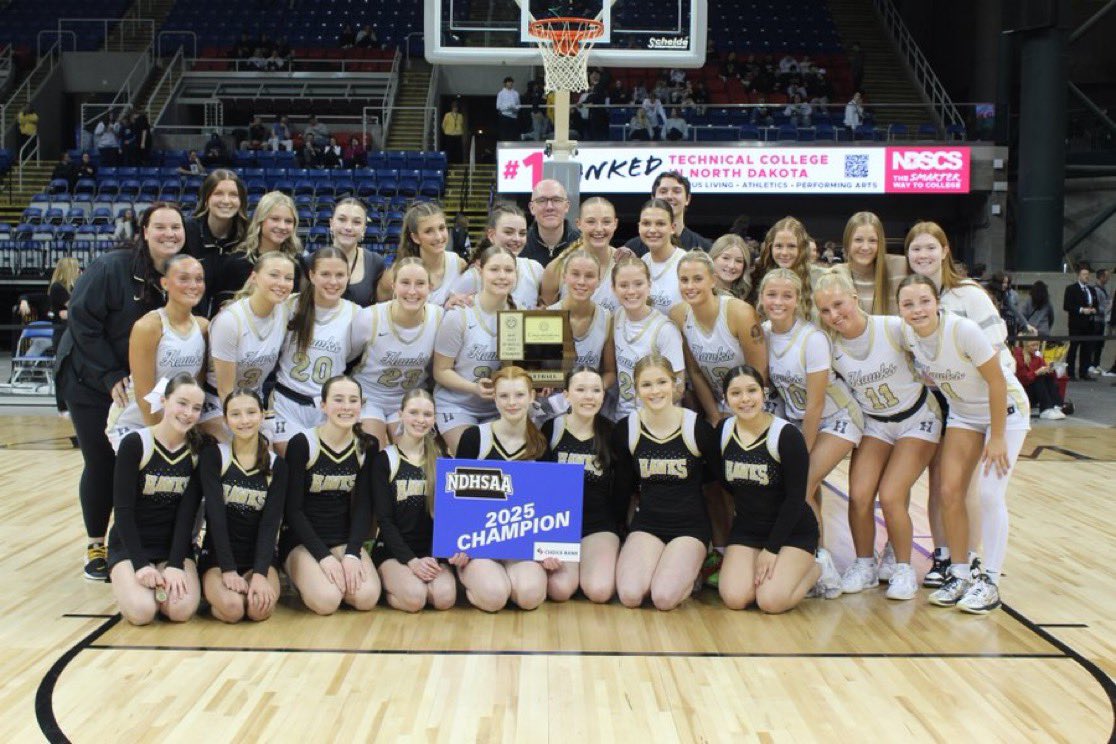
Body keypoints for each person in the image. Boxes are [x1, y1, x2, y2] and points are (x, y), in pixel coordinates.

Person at [55, 203, 186, 581]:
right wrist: (108, 374)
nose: (169, 234)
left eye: (175, 228)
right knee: (102, 462)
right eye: (159, 227)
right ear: (144, 230)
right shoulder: (112, 267)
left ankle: (130, 543)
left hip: (141, 384)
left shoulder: (180, 274)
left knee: (140, 464)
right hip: (90, 379)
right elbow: (81, 323)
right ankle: (96, 544)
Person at [897, 275, 1030, 614]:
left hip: (1006, 411)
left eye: (924, 301)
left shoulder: (962, 331)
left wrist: (997, 436)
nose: (917, 309)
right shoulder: (910, 337)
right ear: (899, 309)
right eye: (908, 304)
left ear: (936, 302)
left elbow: (998, 381)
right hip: (964, 415)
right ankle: (958, 572)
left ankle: (989, 581)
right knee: (948, 492)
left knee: (988, 494)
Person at [813, 270, 942, 599]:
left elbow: (937, 346)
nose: (834, 315)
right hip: (875, 423)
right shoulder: (829, 346)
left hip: (917, 418)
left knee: (891, 494)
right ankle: (864, 564)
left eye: (839, 304)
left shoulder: (893, 328)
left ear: (855, 298)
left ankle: (902, 568)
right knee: (858, 495)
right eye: (825, 311)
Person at [905, 221, 1017, 587]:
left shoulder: (967, 295)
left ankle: (973, 561)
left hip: (992, 397)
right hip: (953, 404)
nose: (923, 255)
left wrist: (996, 428)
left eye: (930, 247)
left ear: (945, 250)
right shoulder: (910, 303)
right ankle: (951, 561)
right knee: (945, 487)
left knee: (978, 490)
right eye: (915, 249)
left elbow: (997, 360)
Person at [759, 268, 863, 599]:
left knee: (799, 485)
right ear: (761, 298)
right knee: (806, 489)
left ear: (798, 300)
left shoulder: (813, 339)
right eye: (771, 295)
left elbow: (816, 405)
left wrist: (799, 453)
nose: (778, 302)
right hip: (796, 420)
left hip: (837, 419)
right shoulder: (763, 333)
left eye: (787, 295)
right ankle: (811, 554)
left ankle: (822, 562)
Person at [612, 354, 720, 610]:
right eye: (646, 385)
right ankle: (663, 564)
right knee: (629, 595)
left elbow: (717, 475)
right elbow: (624, 485)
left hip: (689, 528)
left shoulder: (697, 428)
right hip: (648, 524)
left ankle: (693, 569)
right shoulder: (627, 429)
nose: (655, 391)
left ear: (675, 384)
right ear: (636, 389)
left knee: (663, 598)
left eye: (661, 382)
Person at [716, 365, 820, 612]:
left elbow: (796, 498)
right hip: (748, 530)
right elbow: (723, 482)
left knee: (770, 602)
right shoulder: (723, 432)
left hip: (792, 531)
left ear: (764, 393)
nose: (745, 399)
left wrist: (772, 549)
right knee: (735, 598)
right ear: (726, 398)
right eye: (736, 393)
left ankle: (816, 568)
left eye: (752, 391)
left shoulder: (787, 435)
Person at [450, 366, 553, 611]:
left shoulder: (540, 444)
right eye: (504, 396)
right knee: (495, 597)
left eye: (519, 395)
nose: (512, 403)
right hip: (478, 544)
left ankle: (506, 577)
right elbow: (455, 499)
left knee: (530, 597)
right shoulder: (474, 438)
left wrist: (548, 547)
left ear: (531, 397)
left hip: (519, 541)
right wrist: (456, 545)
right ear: (494, 398)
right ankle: (477, 579)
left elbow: (547, 503)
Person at [108, 372, 205, 625]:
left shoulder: (197, 451)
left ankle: (159, 578)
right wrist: (140, 565)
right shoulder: (135, 443)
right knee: (142, 612)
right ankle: (128, 582)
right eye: (181, 403)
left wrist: (174, 564)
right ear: (164, 401)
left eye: (196, 408)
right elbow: (123, 511)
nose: (187, 413)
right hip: (132, 545)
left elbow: (188, 513)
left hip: (173, 545)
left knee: (180, 611)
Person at [281, 376, 381, 615]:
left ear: (361, 405)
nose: (346, 406)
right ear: (323, 405)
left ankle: (334, 575)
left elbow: (364, 507)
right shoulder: (302, 443)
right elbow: (292, 510)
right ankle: (300, 575)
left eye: (353, 400)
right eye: (338, 399)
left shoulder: (367, 445)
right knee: (327, 601)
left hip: (343, 537)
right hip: (302, 540)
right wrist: (323, 557)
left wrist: (352, 553)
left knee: (366, 598)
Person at [198, 389, 287, 622]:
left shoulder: (277, 465)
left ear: (262, 415)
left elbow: (270, 524)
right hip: (219, 557)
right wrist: (227, 569)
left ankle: (236, 590)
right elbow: (215, 518)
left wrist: (260, 573)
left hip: (259, 557)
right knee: (233, 609)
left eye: (251, 412)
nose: (244, 420)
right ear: (226, 420)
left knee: (259, 610)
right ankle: (213, 597)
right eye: (235, 414)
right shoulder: (214, 456)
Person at [106, 254, 208, 451]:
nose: (193, 285)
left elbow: (197, 388)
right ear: (165, 283)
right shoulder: (149, 327)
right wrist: (163, 443)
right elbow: (145, 396)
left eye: (199, 279)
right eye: (184, 278)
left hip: (176, 424)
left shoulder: (203, 327)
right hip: (135, 421)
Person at [370, 389, 457, 612]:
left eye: (427, 414)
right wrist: (411, 561)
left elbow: (448, 519)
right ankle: (386, 584)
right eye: (413, 413)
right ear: (401, 414)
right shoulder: (384, 460)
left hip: (431, 551)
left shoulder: (443, 460)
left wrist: (432, 558)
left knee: (444, 599)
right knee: (415, 599)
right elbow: (385, 520)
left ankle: (411, 580)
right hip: (394, 550)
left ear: (435, 418)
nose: (420, 420)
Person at [540, 367, 620, 602]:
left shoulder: (611, 433)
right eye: (581, 389)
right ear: (566, 395)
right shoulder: (551, 429)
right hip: (558, 526)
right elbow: (540, 487)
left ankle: (593, 563)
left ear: (603, 396)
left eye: (596, 390)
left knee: (599, 591)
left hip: (598, 526)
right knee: (560, 590)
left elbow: (621, 490)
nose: (589, 396)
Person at [271, 248, 359, 455]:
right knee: (292, 464)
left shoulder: (357, 315)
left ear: (348, 277)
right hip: (287, 402)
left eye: (339, 275)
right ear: (312, 275)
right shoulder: (288, 305)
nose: (333, 281)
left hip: (329, 407)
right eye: (325, 274)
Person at [199, 252, 296, 440]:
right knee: (238, 447)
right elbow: (225, 390)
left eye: (288, 278)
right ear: (254, 277)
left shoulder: (285, 309)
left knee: (274, 450)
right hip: (218, 402)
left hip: (254, 400)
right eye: (274, 275)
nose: (281, 283)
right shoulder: (230, 321)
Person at [432, 245, 517, 453]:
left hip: (501, 408)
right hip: (457, 405)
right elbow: (440, 371)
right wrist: (474, 388)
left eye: (508, 270)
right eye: (494, 269)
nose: (502, 276)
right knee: (474, 454)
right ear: (480, 270)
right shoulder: (459, 314)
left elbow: (520, 369)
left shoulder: (519, 316)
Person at [352, 257, 443, 447]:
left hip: (408, 400)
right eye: (405, 283)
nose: (412, 291)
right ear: (393, 285)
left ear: (430, 286)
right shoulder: (369, 317)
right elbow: (347, 359)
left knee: (411, 457)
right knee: (371, 449)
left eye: (420, 284)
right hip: (369, 396)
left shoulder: (440, 318)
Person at [670, 250, 767, 420]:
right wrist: (714, 416)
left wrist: (746, 414)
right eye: (684, 280)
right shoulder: (678, 315)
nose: (690, 286)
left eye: (698, 279)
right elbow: (695, 372)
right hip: (720, 405)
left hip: (757, 403)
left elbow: (759, 372)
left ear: (713, 280)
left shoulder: (740, 313)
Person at [610, 256, 686, 422]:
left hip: (656, 420)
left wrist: (649, 411)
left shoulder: (665, 330)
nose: (631, 291)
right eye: (623, 285)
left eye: (638, 284)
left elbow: (679, 388)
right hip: (621, 418)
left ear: (649, 285)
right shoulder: (617, 316)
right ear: (614, 288)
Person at [222, 191, 303, 314]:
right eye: (275, 219)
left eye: (288, 221)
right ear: (261, 220)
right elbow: (224, 308)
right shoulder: (237, 262)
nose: (282, 226)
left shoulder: (296, 263)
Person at [450, 202, 543, 309]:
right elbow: (452, 313)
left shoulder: (534, 269)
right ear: (491, 235)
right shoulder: (472, 277)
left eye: (522, 233)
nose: (517, 239)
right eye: (508, 232)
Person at [183, 170, 250, 317]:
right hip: (189, 318)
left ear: (241, 201)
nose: (226, 200)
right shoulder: (187, 231)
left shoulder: (250, 236)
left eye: (233, 195)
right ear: (206, 199)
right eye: (218, 193)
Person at [540, 196, 620, 311]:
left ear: (615, 224)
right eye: (591, 222)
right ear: (578, 223)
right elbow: (545, 321)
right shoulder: (556, 268)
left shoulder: (624, 264)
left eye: (606, 222)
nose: (599, 228)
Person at [378, 202, 466, 307]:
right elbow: (381, 314)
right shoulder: (394, 275)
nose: (438, 237)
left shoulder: (459, 265)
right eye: (429, 231)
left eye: (442, 228)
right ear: (415, 237)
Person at [549, 250, 615, 378]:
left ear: (599, 281)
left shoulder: (606, 318)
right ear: (564, 277)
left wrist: (594, 389)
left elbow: (609, 373)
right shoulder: (547, 316)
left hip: (590, 396)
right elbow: (537, 371)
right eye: (575, 274)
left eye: (589, 276)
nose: (581, 282)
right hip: (555, 396)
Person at [624, 172, 712, 258]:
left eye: (677, 191)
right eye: (663, 191)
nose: (669, 196)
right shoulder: (632, 249)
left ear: (687, 199)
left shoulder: (705, 247)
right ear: (653, 198)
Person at [837, 212, 906, 315]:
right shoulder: (835, 275)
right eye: (858, 240)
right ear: (847, 242)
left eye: (872, 240)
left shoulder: (899, 266)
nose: (865, 247)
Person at [329, 198, 385, 308]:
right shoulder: (310, 262)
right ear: (331, 224)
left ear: (364, 229)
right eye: (342, 219)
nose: (348, 227)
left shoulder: (375, 262)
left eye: (357, 222)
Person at [637, 199, 688, 314]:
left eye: (660, 224)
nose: (653, 230)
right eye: (646, 223)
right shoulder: (643, 261)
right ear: (639, 227)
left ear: (672, 228)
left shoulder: (686, 263)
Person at [520, 179, 581, 267]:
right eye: (542, 200)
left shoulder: (582, 245)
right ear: (532, 208)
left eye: (556, 200)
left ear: (567, 206)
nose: (549, 207)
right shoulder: (520, 246)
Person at [1013, 339, 1066, 419]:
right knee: (1038, 378)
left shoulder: (1038, 358)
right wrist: (1036, 373)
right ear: (1025, 346)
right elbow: (1022, 380)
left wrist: (1050, 370)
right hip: (1023, 393)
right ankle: (1046, 409)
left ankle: (1056, 406)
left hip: (1033, 392)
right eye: (1033, 345)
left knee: (1047, 377)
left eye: (1037, 345)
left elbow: (1051, 378)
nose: (1036, 348)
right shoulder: (1018, 358)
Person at [1062, 264, 1099, 381]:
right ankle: (1071, 373)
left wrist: (1094, 310)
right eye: (1084, 274)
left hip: (1089, 324)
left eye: (1088, 275)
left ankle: (1084, 372)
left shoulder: (1092, 290)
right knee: (1073, 349)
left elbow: (1096, 304)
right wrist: (1081, 310)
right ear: (1079, 275)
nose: (1086, 277)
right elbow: (1067, 306)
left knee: (1087, 349)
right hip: (1076, 324)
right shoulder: (1071, 289)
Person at [48, 257, 81, 357]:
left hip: (72, 329)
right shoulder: (57, 287)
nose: (79, 270)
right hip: (62, 330)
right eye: (76, 268)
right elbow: (76, 305)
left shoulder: (73, 287)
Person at [708, 234, 753, 300]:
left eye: (738, 261)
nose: (732, 265)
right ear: (712, 258)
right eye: (725, 258)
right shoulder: (700, 292)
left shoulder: (747, 296)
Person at [1089, 268, 1111, 376]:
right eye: (1107, 276)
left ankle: (1096, 364)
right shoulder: (1096, 290)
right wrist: (1107, 309)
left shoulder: (1104, 289)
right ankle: (1091, 365)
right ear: (1101, 277)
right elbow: (1096, 307)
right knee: (1094, 343)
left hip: (1102, 321)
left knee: (1100, 344)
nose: (1108, 278)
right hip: (1097, 320)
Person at [496, 77, 521, 143]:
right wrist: (508, 107)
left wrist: (515, 108)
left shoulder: (516, 93)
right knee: (505, 135)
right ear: (505, 83)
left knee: (513, 135)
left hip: (514, 116)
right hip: (505, 116)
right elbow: (498, 106)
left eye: (511, 82)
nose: (510, 83)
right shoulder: (501, 93)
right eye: (508, 82)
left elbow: (518, 105)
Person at [441, 99, 465, 164]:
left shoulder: (460, 116)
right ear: (452, 108)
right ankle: (449, 161)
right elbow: (443, 125)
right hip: (449, 134)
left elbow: (462, 124)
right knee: (449, 149)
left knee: (458, 150)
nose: (455, 108)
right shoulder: (447, 115)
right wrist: (446, 131)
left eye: (456, 107)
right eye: (454, 107)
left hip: (458, 134)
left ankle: (458, 162)